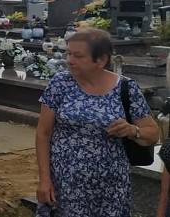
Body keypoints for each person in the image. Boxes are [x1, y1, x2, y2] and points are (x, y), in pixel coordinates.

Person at [35, 28, 159, 216]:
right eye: (68, 53)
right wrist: (44, 179)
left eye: (78, 56)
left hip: (110, 187)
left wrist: (133, 130)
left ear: (101, 60)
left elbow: (152, 133)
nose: (69, 60)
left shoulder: (126, 88)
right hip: (65, 182)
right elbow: (43, 134)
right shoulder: (60, 84)